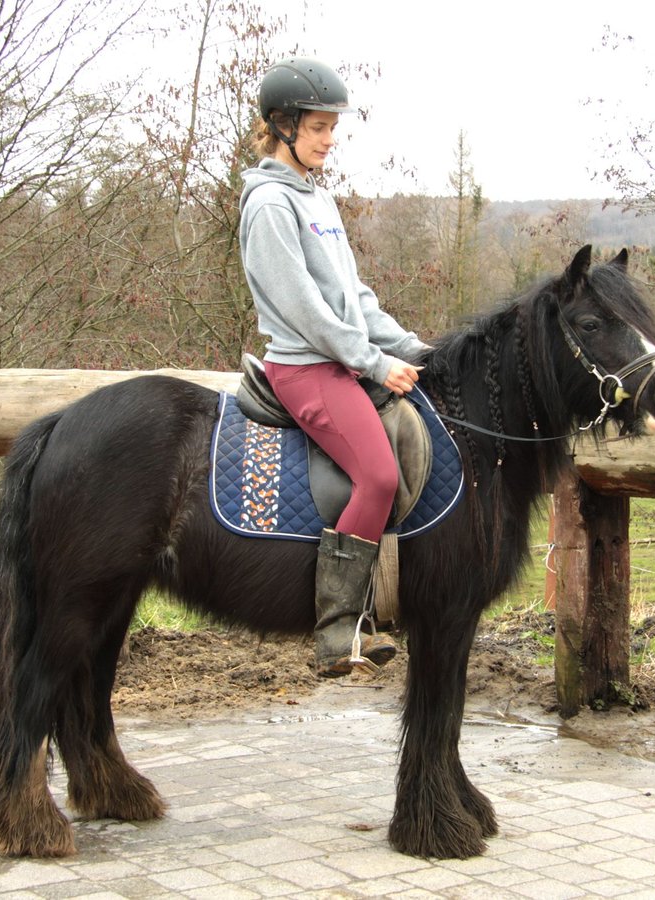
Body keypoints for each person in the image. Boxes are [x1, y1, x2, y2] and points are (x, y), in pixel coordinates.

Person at [239, 57, 429, 677]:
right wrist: (373, 363)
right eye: (319, 127)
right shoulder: (270, 205)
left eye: (331, 127)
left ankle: (370, 614)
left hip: (340, 361)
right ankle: (336, 632)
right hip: (306, 369)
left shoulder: (316, 198)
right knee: (377, 476)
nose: (330, 138)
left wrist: (410, 346)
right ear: (284, 126)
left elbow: (353, 297)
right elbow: (306, 310)